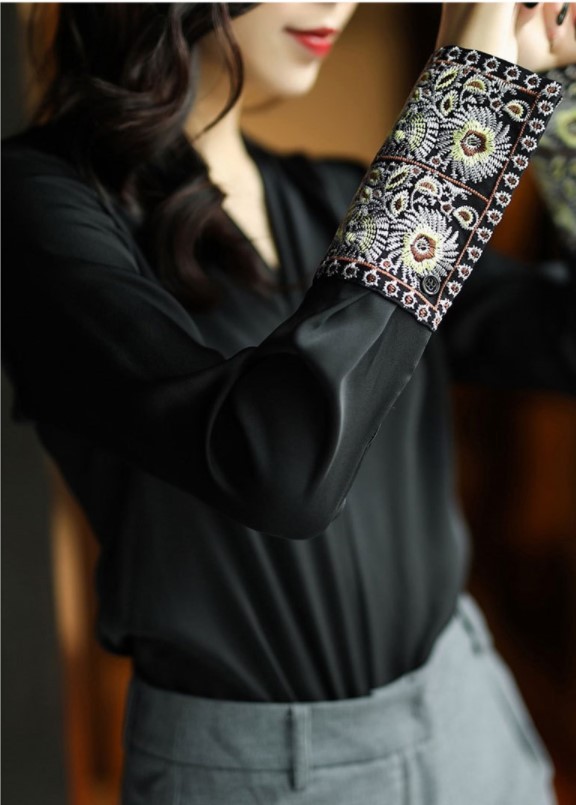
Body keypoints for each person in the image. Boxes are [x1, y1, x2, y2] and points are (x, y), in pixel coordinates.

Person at [2, 3, 575, 803]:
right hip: (263, 771)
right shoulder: (40, 204)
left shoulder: (338, 196)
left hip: (468, 711)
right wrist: (462, 107)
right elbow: (284, 470)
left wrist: (557, 94)